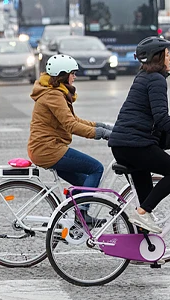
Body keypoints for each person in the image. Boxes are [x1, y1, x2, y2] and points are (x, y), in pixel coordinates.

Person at [108, 37, 170, 233]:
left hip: (124, 145)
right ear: (158, 57)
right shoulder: (156, 80)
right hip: (135, 145)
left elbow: (154, 115)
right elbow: (161, 119)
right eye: (168, 55)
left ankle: (143, 249)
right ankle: (141, 213)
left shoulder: (143, 77)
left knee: (146, 202)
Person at [28, 54, 112, 225]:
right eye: (73, 73)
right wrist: (101, 134)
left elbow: (74, 120)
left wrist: (103, 126)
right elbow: (71, 125)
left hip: (46, 148)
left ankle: (63, 221)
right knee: (96, 168)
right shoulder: (54, 95)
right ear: (63, 74)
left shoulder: (54, 92)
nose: (75, 77)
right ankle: (82, 217)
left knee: (83, 184)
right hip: (48, 149)